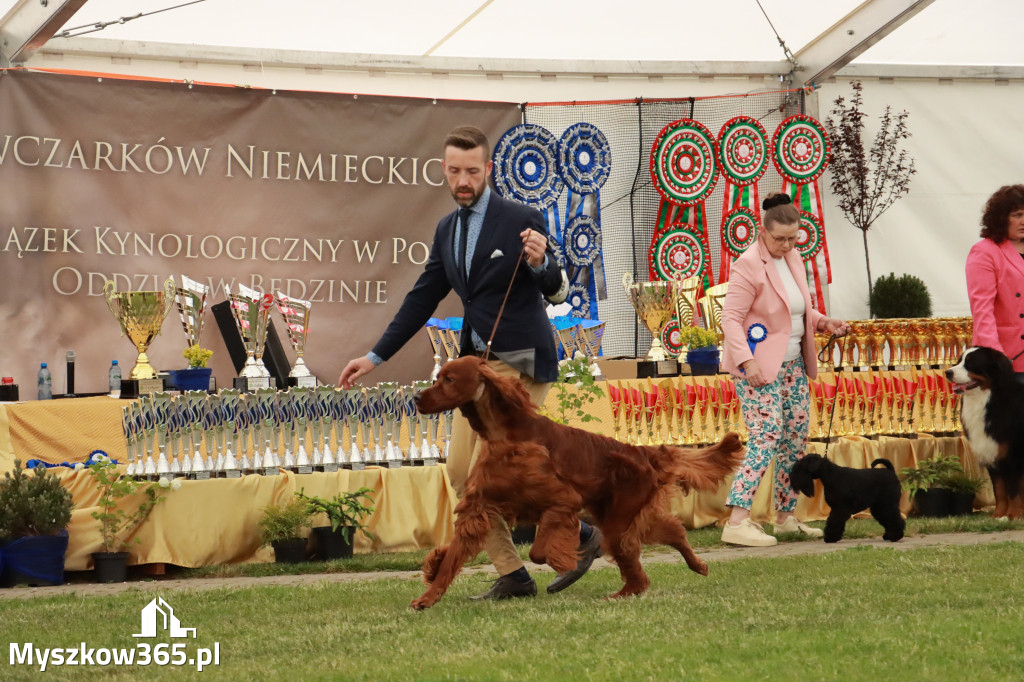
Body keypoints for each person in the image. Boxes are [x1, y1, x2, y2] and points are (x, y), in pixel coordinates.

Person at [338, 125, 602, 600]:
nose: (464, 180)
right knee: (464, 475)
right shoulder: (446, 230)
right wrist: (374, 357)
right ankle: (523, 568)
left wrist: (543, 265)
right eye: (455, 171)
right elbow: (422, 298)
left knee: (482, 474)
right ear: (444, 169)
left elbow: (559, 291)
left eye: (473, 171)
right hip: (477, 371)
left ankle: (571, 535)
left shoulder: (521, 216)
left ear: (489, 170)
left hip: (521, 364)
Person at [719, 193, 850, 547]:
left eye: (793, 237)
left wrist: (824, 323)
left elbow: (795, 311)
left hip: (792, 364)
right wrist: (747, 361)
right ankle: (737, 520)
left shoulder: (794, 257)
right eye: (780, 238)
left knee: (795, 439)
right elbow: (729, 318)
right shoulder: (747, 264)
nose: (787, 244)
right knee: (767, 435)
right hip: (757, 367)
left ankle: (785, 516)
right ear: (763, 231)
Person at [965, 184, 1024, 377]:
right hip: (1008, 358)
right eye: (1017, 215)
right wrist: (995, 357)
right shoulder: (985, 251)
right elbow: (982, 310)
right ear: (1001, 218)